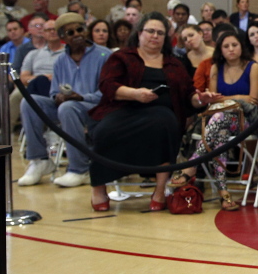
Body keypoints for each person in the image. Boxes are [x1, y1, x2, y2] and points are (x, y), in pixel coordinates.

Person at [88, 12, 218, 212]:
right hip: (122, 110)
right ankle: (98, 190)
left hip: (160, 116)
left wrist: (201, 99)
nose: (155, 36)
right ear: (139, 33)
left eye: (160, 32)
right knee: (103, 130)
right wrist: (134, 94)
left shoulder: (174, 63)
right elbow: (107, 84)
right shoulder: (122, 57)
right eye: (150, 31)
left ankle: (159, 191)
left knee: (166, 121)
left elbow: (188, 95)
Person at [17, 13, 112, 188]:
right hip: (67, 107)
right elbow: (54, 91)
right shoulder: (61, 60)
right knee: (30, 102)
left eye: (80, 29)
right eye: (70, 32)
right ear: (62, 38)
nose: (77, 34)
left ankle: (79, 169)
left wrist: (80, 97)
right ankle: (40, 161)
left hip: (97, 107)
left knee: (68, 107)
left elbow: (108, 92)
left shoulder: (104, 55)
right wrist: (57, 97)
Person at [173, 30, 258, 211]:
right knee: (220, 132)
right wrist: (238, 98)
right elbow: (213, 100)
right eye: (226, 46)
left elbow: (253, 100)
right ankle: (224, 195)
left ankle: (192, 164)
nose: (231, 49)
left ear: (241, 47)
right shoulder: (215, 68)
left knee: (219, 118)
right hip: (221, 120)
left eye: (234, 45)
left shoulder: (253, 67)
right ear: (220, 50)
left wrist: (230, 98)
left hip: (246, 120)